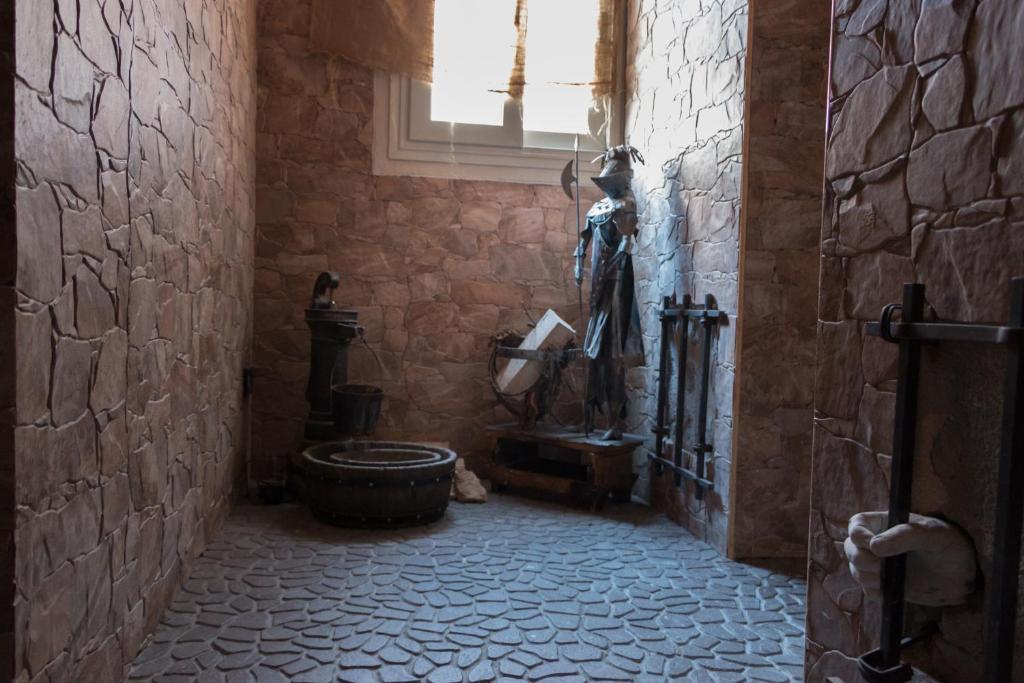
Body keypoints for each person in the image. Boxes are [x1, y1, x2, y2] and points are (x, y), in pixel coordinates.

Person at [574, 145, 645, 440]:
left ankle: (614, 421)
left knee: (614, 353)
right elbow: (583, 243)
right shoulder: (597, 208)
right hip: (599, 289)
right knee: (593, 353)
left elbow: (626, 244)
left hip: (617, 287)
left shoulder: (626, 204)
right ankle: (591, 416)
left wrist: (612, 269)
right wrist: (578, 264)